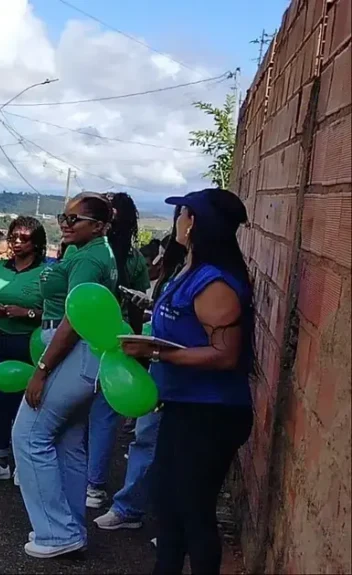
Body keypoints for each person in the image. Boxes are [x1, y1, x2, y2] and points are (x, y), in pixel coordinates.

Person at [121, 188, 254, 574]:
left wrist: (159, 354)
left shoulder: (215, 283)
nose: (177, 220)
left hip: (212, 413)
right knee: (169, 507)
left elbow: (225, 354)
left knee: (194, 511)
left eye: (181, 213)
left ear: (192, 221)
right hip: (185, 406)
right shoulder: (189, 270)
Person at [11, 193, 119, 559]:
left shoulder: (90, 258)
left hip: (75, 351)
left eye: (75, 220)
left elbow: (75, 320)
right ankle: (70, 530)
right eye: (64, 216)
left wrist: (41, 370)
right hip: (85, 355)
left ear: (100, 226)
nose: (65, 224)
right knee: (69, 444)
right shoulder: (86, 250)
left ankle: (56, 533)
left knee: (27, 435)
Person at [94, 226, 186, 532]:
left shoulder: (208, 278)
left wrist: (157, 351)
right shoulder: (180, 271)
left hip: (186, 378)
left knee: (181, 452)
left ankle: (171, 526)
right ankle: (129, 508)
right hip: (161, 372)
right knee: (145, 440)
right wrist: (149, 307)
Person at [86, 192, 150, 509]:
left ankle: (74, 475)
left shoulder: (90, 253)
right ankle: (94, 486)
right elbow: (138, 311)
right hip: (120, 341)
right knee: (105, 416)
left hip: (84, 336)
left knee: (73, 413)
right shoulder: (135, 260)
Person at [0, 216, 46, 482]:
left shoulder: (45, 274)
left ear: (37, 243)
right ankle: (1, 460)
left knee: (27, 405)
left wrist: (25, 313)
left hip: (28, 344)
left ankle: (22, 464)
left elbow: (54, 314)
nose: (16, 242)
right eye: (13, 237)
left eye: (24, 238)